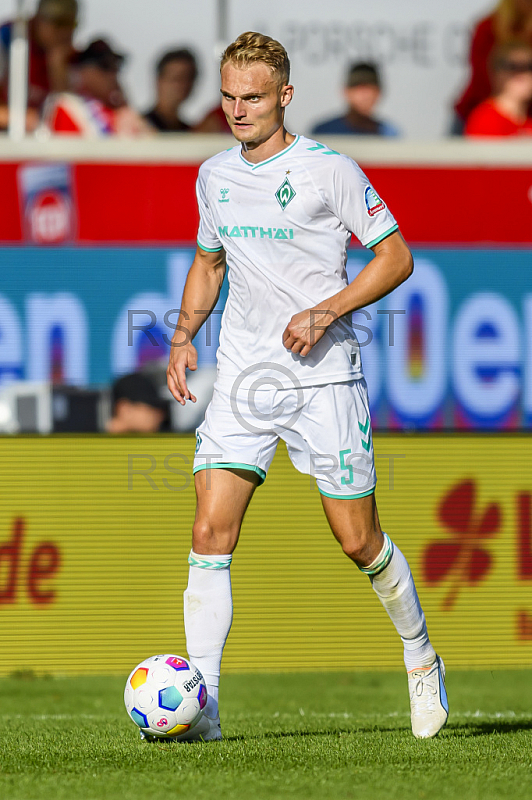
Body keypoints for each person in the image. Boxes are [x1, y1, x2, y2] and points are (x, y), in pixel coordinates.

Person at [165, 31, 448, 744]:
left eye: (252, 97)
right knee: (209, 530)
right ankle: (205, 712)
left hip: (323, 375)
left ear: (285, 96)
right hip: (244, 376)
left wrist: (327, 310)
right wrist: (181, 335)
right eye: (228, 96)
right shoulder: (214, 176)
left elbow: (397, 257)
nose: (238, 109)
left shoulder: (331, 172)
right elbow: (209, 262)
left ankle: (420, 657)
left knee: (358, 540)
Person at [43, 38, 151, 136]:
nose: (113, 74)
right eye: (105, 66)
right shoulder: (69, 107)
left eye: (116, 67)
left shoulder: (117, 112)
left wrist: (125, 105)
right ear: (82, 70)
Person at [453, 0, 532, 132]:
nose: (521, 74)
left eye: (528, 67)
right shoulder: (488, 28)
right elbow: (481, 79)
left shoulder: (525, 123)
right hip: (478, 110)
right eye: (512, 67)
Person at [0, 0, 78, 132]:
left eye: (71, 24)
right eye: (58, 23)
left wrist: (57, 66)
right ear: (38, 19)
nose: (64, 32)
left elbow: (69, 112)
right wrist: (16, 118)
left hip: (41, 141)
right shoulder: (10, 41)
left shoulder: (71, 57)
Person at [311, 61, 399, 137]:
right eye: (359, 89)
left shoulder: (389, 134)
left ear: (378, 93)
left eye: (369, 89)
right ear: (346, 92)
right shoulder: (324, 132)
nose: (365, 96)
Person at [465, 41, 532, 135]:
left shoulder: (528, 123)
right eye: (513, 67)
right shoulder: (485, 119)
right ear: (497, 72)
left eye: (529, 67)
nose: (524, 75)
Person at [144, 48, 198, 132]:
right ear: (159, 81)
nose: (184, 85)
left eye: (189, 78)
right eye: (176, 78)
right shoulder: (140, 127)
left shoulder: (190, 131)